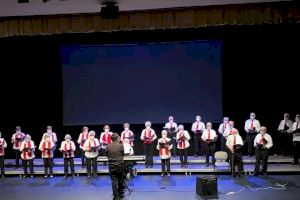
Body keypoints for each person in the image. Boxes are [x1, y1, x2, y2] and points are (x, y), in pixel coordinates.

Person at [106, 133, 125, 200]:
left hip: (112, 166)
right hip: (120, 165)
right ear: (117, 138)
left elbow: (107, 155)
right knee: (120, 180)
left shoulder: (108, 146)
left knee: (114, 181)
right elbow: (123, 154)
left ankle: (115, 196)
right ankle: (121, 194)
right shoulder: (121, 146)